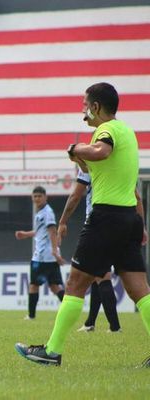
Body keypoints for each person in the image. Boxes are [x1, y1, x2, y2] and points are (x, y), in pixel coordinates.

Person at [15, 82, 150, 368]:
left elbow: (99, 152)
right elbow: (98, 168)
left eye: (85, 104)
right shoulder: (127, 132)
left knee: (75, 282)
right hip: (129, 218)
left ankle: (51, 351)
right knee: (140, 289)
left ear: (97, 106)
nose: (83, 110)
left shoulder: (105, 131)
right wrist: (80, 155)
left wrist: (74, 147)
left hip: (106, 218)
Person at [57, 168, 122, 333]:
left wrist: (63, 221)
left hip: (96, 223)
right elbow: (135, 196)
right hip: (118, 223)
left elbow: (75, 196)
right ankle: (90, 323)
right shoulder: (117, 165)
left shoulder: (89, 163)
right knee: (95, 274)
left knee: (97, 277)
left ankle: (115, 327)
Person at [15, 186, 66, 320]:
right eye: (35, 196)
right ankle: (69, 310)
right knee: (54, 286)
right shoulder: (41, 212)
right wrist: (25, 234)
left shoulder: (47, 213)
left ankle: (31, 316)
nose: (37, 198)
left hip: (42, 256)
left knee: (34, 285)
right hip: (48, 257)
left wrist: (55, 251)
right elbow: (40, 232)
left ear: (45, 197)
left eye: (39, 196)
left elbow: (52, 231)